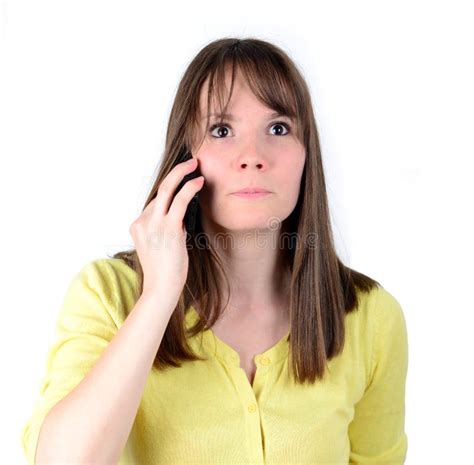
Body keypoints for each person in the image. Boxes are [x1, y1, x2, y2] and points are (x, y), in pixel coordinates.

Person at [20, 37, 409, 465]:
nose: (253, 157)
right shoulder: (107, 295)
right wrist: (158, 298)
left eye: (278, 128)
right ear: (187, 157)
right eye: (221, 131)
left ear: (306, 154)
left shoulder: (371, 318)